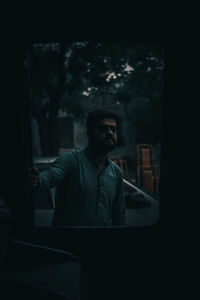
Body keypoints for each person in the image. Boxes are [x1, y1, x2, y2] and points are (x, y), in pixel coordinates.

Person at [28, 110, 126, 227]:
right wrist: (38, 180)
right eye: (103, 128)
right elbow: (51, 175)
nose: (110, 133)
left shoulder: (116, 172)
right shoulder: (71, 160)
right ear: (89, 133)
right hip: (68, 243)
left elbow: (119, 215)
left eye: (113, 130)